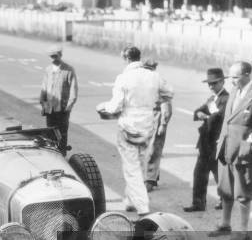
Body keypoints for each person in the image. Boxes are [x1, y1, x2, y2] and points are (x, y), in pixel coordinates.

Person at [97, 46, 173, 217]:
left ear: (126, 58)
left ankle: (142, 206)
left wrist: (104, 108)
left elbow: (115, 106)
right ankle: (130, 200)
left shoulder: (123, 78)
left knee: (131, 165)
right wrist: (153, 100)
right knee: (139, 162)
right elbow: (169, 93)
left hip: (129, 125)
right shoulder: (154, 76)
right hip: (147, 123)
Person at [208, 61, 252, 240]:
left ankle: (243, 231)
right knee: (225, 189)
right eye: (230, 77)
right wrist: (221, 139)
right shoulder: (234, 91)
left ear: (247, 74)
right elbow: (227, 120)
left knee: (243, 192)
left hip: (244, 152)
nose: (232, 81)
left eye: (235, 77)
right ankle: (225, 224)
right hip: (226, 149)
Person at [183, 68, 229, 212]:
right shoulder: (212, 98)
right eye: (209, 84)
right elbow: (198, 111)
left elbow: (219, 118)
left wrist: (207, 116)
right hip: (205, 142)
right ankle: (198, 203)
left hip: (217, 143)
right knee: (200, 173)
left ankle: (225, 200)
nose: (211, 86)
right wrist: (202, 114)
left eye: (214, 83)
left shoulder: (226, 99)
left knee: (219, 175)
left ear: (222, 82)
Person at [39, 44, 78, 156]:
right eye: (51, 56)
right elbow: (44, 87)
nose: (54, 59)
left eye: (55, 56)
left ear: (60, 55)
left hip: (63, 109)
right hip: (49, 107)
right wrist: (42, 102)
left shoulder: (69, 70)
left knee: (62, 134)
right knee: (50, 132)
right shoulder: (48, 70)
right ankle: (52, 155)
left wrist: (68, 107)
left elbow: (73, 91)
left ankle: (62, 155)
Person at [142, 58, 173, 192]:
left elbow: (166, 105)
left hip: (156, 118)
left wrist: (163, 124)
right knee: (146, 150)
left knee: (153, 150)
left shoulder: (159, 82)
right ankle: (153, 176)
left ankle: (149, 180)